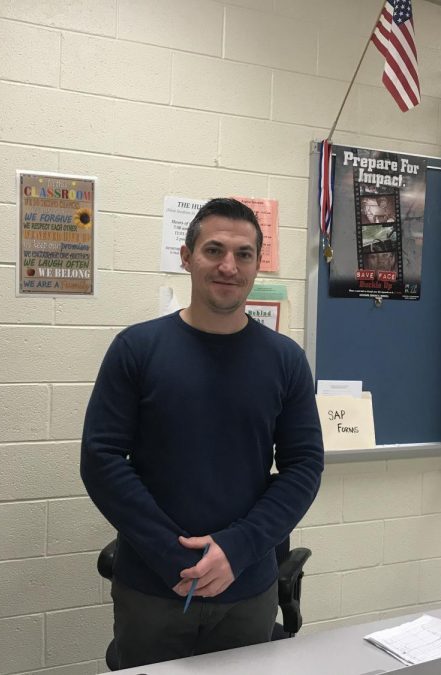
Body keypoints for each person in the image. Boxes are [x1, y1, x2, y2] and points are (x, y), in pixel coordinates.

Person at [81, 197, 325, 669]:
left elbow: (304, 466)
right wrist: (173, 557)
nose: (228, 266)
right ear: (187, 257)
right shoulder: (137, 349)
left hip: (247, 588)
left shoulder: (285, 360)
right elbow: (101, 459)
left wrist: (236, 549)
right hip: (154, 587)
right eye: (214, 250)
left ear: (257, 264)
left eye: (244, 254)